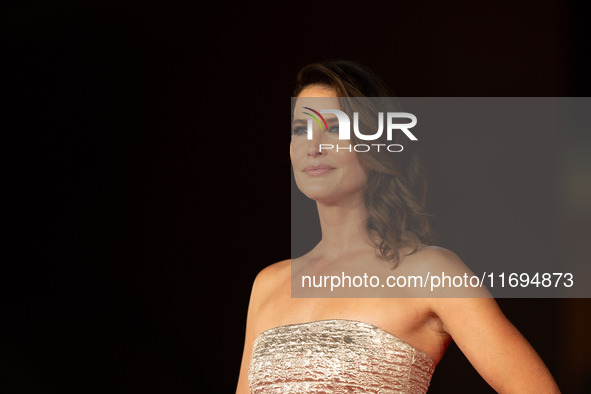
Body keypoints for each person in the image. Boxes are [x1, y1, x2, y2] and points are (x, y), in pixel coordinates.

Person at [236, 60, 560, 393]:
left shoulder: (431, 271)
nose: (313, 146)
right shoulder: (270, 284)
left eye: (334, 128)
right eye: (300, 129)